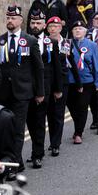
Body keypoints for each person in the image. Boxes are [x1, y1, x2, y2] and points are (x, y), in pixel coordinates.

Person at [0, 5, 45, 181]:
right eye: (7, 17)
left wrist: (40, 92)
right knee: (4, 129)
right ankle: (17, 161)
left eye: (13, 18)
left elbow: (38, 68)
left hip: (22, 93)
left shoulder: (30, 41)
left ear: (21, 21)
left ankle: (12, 166)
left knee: (18, 130)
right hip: (2, 93)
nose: (10, 21)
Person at [26, 12, 63, 168]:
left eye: (38, 23)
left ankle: (37, 154)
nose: (35, 26)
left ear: (44, 25)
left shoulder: (51, 42)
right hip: (27, 88)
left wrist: (58, 88)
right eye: (33, 23)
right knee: (30, 123)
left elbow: (56, 67)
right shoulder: (24, 41)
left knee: (40, 122)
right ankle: (36, 149)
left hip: (45, 89)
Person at [46, 13, 81, 154]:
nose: (54, 28)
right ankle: (52, 140)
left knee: (59, 113)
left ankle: (56, 144)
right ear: (47, 28)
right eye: (51, 26)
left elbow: (71, 62)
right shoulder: (44, 42)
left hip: (63, 81)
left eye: (56, 26)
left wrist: (78, 82)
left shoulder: (66, 43)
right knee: (50, 113)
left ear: (61, 28)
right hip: (49, 81)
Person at [67, 21, 98, 144]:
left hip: (87, 81)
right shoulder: (67, 43)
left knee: (82, 107)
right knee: (72, 107)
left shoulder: (92, 45)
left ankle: (78, 133)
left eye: (80, 28)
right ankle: (78, 125)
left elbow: (97, 64)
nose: (77, 31)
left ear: (85, 31)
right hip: (70, 81)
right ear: (72, 32)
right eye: (75, 29)